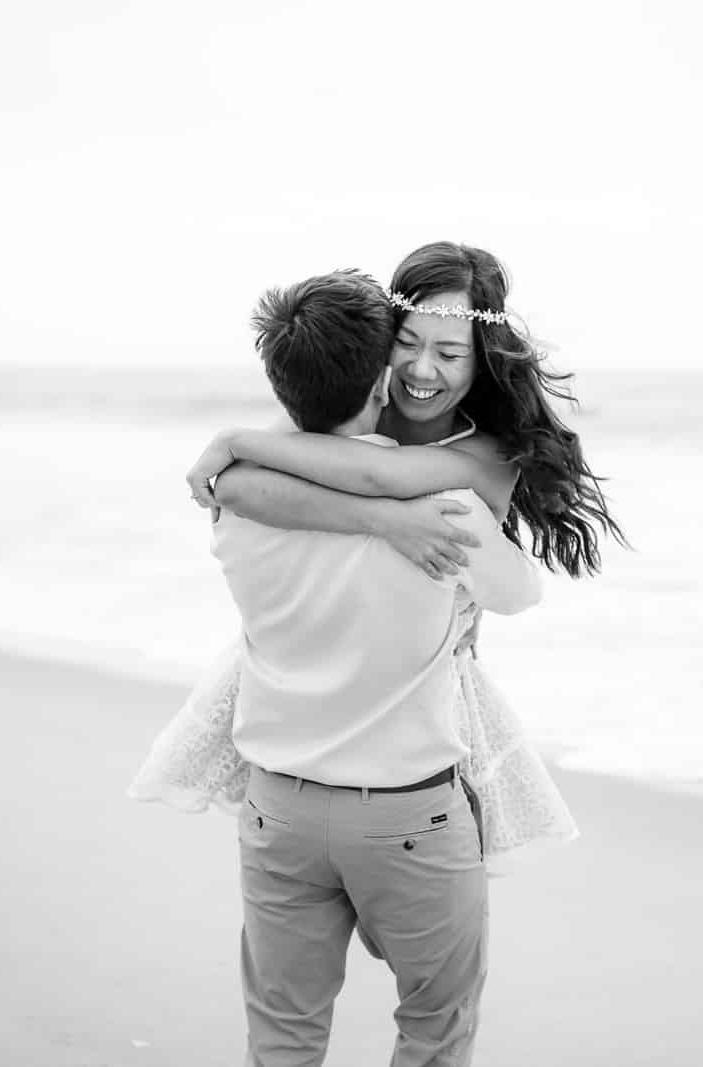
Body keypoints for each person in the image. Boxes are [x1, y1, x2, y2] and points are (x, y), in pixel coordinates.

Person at [134, 242, 621, 868]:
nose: (422, 370)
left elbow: (372, 474)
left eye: (450, 354)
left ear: (484, 360)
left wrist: (234, 440)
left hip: (413, 694)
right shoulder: (356, 399)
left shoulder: (490, 456)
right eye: (408, 343)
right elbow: (239, 489)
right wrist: (386, 523)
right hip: (309, 675)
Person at [210, 269, 541, 1066]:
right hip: (406, 816)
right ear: (382, 376)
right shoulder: (449, 509)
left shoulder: (242, 500)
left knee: (282, 1038)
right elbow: (519, 594)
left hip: (277, 809)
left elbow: (275, 476)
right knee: (434, 1030)